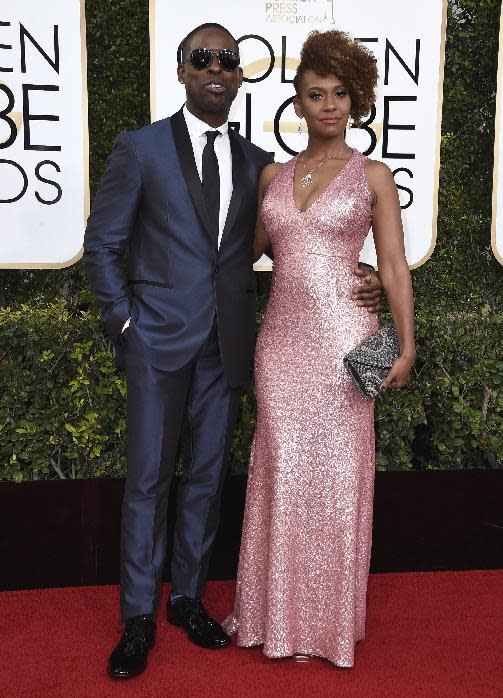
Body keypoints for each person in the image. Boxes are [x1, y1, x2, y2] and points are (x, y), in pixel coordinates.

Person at [84, 23, 383, 680]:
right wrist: (124, 325)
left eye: (227, 58)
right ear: (182, 69)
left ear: (239, 76)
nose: (216, 67)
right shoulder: (140, 150)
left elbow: (305, 244)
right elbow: (102, 244)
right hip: (158, 343)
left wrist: (365, 283)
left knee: (208, 480)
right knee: (147, 482)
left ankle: (187, 599)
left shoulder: (260, 165)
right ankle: (138, 616)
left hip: (232, 346)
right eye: (202, 58)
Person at [223, 30, 416, 668]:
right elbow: (246, 251)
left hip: (343, 342)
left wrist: (406, 344)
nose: (328, 105)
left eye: (340, 94)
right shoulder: (273, 176)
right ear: (298, 105)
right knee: (281, 470)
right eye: (315, 94)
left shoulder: (374, 175)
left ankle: (325, 623)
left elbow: (390, 264)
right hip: (279, 341)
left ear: (355, 101)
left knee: (335, 480)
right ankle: (270, 616)